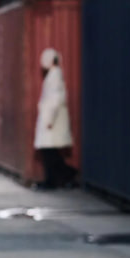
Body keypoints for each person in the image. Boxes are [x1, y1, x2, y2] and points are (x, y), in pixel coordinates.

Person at [33, 47, 77, 189]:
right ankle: (62, 177)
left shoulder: (55, 76)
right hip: (50, 121)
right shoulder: (54, 75)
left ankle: (61, 177)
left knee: (50, 153)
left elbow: (56, 100)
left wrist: (50, 120)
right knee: (51, 154)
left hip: (51, 123)